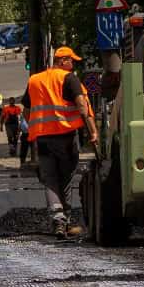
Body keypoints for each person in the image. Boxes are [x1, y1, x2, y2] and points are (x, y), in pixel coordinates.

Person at [24, 46, 100, 238]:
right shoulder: (69, 78)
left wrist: (35, 126)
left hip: (43, 139)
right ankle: (64, 219)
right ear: (62, 61)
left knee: (49, 180)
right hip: (65, 137)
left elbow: (27, 109)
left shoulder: (35, 80)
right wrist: (93, 132)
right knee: (65, 180)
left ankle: (59, 220)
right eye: (71, 60)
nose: (73, 64)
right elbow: (82, 106)